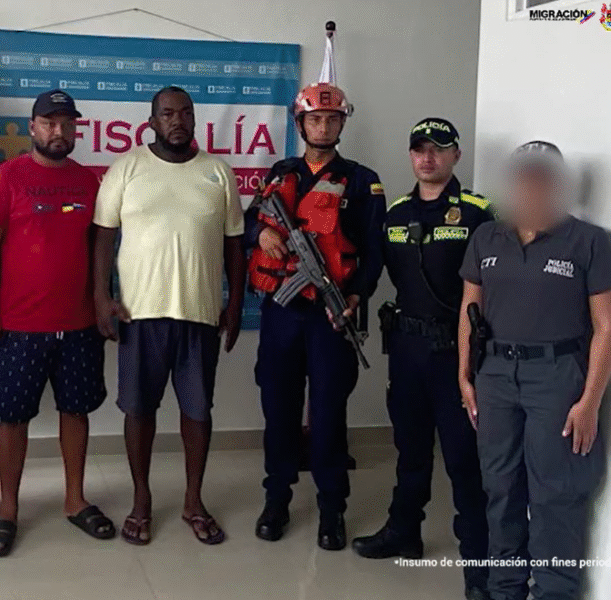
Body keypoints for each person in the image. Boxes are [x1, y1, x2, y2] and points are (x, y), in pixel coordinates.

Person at [92, 86, 245, 546]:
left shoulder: (218, 173)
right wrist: (100, 297)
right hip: (140, 314)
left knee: (197, 411)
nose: (177, 121)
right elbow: (103, 239)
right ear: (152, 121)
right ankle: (141, 500)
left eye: (185, 113)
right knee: (139, 410)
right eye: (167, 114)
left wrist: (235, 304)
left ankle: (194, 501)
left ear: (195, 119)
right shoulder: (126, 169)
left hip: (199, 314)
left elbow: (235, 246)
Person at [459, 141, 611, 600]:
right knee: (500, 488)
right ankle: (505, 588)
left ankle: (554, 591)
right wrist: (465, 375)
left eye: (543, 177)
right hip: (495, 377)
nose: (532, 186)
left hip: (557, 377)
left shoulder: (589, 241)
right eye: (524, 177)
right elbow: (469, 309)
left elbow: (606, 326)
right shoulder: (487, 237)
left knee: (555, 495)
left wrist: (590, 401)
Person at [351, 118, 491, 600]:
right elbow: (374, 269)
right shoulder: (395, 214)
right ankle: (403, 530)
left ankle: (479, 562)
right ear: (411, 155)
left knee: (463, 460)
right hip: (407, 351)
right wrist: (352, 296)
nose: (427, 157)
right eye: (419, 149)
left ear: (455, 155)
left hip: (456, 355)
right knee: (410, 450)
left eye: (438, 148)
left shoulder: (477, 214)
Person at [0, 89, 113, 557]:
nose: (59, 131)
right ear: (32, 127)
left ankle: (75, 500)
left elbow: (100, 247)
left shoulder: (88, 182)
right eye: (50, 123)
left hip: (78, 325)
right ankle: (8, 509)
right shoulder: (5, 178)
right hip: (18, 327)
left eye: (67, 123)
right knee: (12, 419)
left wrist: (101, 301)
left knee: (76, 411)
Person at [245, 82, 385, 550]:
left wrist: (357, 296)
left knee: (327, 415)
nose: (323, 126)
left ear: (342, 123)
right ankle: (276, 499)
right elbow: (249, 220)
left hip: (331, 313)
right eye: (314, 119)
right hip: (282, 314)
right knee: (278, 409)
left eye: (331, 119)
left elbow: (375, 251)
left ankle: (332, 508)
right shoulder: (280, 173)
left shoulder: (362, 182)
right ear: (300, 123)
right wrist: (261, 236)